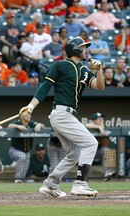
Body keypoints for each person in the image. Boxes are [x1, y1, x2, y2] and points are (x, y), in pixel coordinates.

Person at [19, 36, 105, 197]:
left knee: (74, 154)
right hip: (61, 113)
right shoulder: (60, 65)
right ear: (76, 49)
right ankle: (80, 183)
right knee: (91, 142)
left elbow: (99, 87)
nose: (86, 50)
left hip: (69, 115)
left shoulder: (85, 70)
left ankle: (50, 184)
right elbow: (45, 87)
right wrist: (30, 106)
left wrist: (99, 71)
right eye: (83, 47)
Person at [8, 111, 45, 183]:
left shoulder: (32, 123)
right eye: (26, 115)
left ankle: (21, 180)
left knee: (25, 166)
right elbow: (9, 126)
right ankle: (18, 179)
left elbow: (43, 126)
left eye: (29, 114)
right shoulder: (17, 122)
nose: (29, 116)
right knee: (22, 157)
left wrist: (39, 125)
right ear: (21, 116)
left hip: (27, 151)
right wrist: (18, 127)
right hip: (15, 150)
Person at [85, 112, 116, 181]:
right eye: (99, 119)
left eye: (102, 119)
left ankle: (107, 173)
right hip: (86, 151)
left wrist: (101, 128)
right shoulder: (90, 126)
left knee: (106, 150)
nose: (102, 120)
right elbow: (86, 125)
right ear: (94, 120)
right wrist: (99, 127)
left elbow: (105, 143)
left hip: (97, 152)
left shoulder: (102, 128)